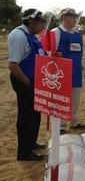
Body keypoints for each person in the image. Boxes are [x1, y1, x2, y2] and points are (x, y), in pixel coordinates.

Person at [8, 8, 46, 161]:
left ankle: (31, 143)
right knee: (26, 116)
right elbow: (13, 65)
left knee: (35, 114)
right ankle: (24, 153)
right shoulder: (18, 36)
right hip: (24, 80)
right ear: (31, 22)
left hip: (33, 80)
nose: (42, 25)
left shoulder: (32, 35)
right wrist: (29, 83)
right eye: (40, 22)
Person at [51, 8, 85, 134]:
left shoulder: (77, 34)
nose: (74, 18)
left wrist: (82, 65)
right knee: (61, 98)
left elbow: (81, 53)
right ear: (63, 17)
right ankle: (61, 125)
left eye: (75, 15)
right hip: (61, 73)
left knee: (75, 98)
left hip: (76, 71)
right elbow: (49, 52)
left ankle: (74, 121)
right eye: (71, 15)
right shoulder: (56, 32)